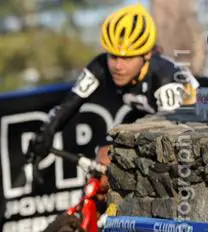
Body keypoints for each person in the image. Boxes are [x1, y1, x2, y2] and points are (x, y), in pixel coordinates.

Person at [27, 4, 196, 164]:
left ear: (146, 55)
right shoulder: (100, 66)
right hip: (145, 117)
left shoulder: (165, 76)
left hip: (195, 123)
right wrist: (46, 133)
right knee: (103, 157)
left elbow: (171, 136)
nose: (118, 66)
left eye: (128, 58)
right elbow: (69, 104)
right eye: (113, 56)